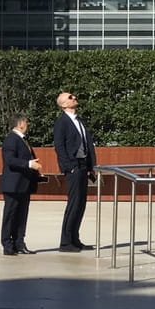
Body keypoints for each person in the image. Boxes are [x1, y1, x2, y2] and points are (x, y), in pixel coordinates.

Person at [53, 90, 97, 252]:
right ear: (64, 104)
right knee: (73, 203)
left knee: (81, 203)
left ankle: (74, 238)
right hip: (73, 166)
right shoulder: (62, 122)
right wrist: (69, 166)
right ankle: (65, 242)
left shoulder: (79, 121)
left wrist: (91, 167)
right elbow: (59, 146)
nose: (74, 97)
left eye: (73, 96)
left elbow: (88, 144)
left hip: (83, 165)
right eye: (70, 97)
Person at [0, 113, 42, 255]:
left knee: (22, 215)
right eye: (26, 122)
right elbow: (10, 160)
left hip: (24, 184)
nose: (28, 125)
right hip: (13, 184)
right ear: (20, 124)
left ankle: (19, 242)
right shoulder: (11, 140)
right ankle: (7, 244)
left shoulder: (23, 140)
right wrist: (29, 164)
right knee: (10, 215)